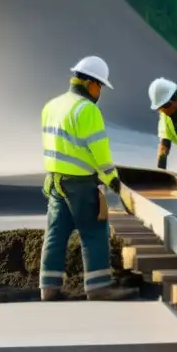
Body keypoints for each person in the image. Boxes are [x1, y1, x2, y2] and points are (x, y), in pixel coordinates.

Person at [39, 56, 137, 302]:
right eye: (100, 86)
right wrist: (114, 181)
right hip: (81, 183)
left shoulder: (51, 105)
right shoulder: (87, 110)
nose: (100, 92)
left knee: (55, 232)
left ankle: (48, 288)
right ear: (90, 83)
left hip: (55, 182)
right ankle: (98, 287)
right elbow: (100, 153)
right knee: (93, 231)